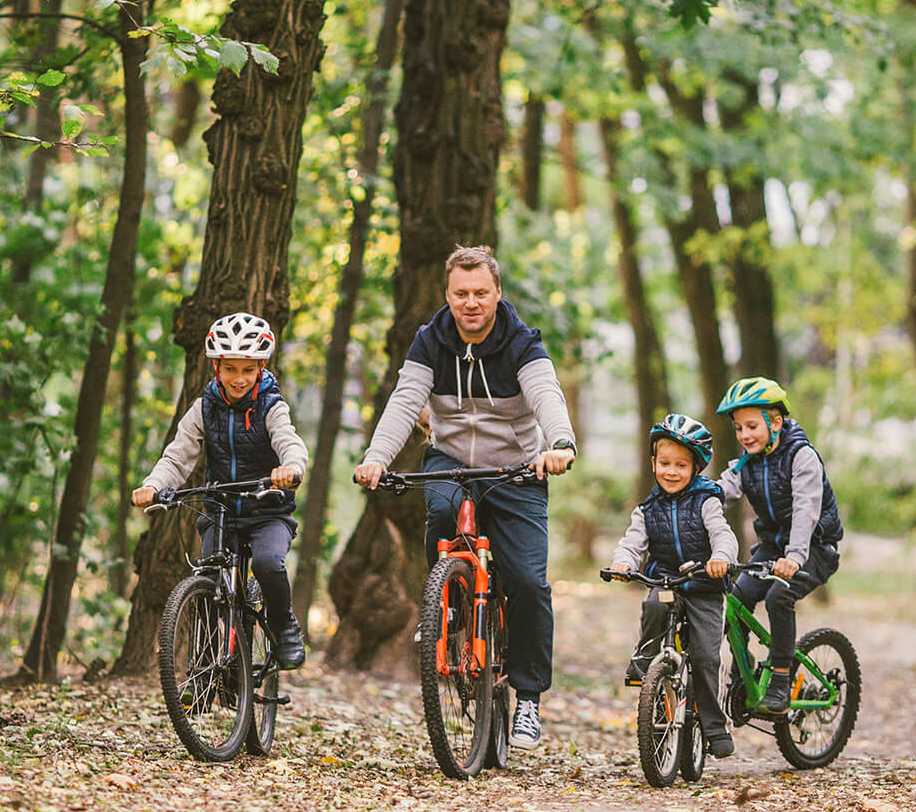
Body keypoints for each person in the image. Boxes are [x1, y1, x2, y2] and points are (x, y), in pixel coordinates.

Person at [353, 247, 576, 751]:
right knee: (442, 510)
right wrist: (377, 457)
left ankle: (528, 700)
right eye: (460, 294)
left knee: (526, 579)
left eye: (480, 293)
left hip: (517, 468)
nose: (470, 303)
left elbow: (546, 395)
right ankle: (445, 607)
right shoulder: (430, 341)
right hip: (450, 459)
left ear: (497, 293)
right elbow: (405, 400)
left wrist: (560, 444)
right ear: (447, 295)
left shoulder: (522, 342)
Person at [131, 313, 309, 669]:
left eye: (247, 370)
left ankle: (283, 626)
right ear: (217, 367)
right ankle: (204, 666)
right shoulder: (204, 408)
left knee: (267, 562)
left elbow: (290, 443)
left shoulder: (271, 406)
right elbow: (178, 456)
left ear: (261, 367)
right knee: (208, 580)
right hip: (222, 510)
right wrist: (153, 485)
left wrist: (290, 469)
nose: (238, 379)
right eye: (230, 369)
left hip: (267, 510)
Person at [607, 414, 738, 759]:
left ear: (696, 468)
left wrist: (721, 556)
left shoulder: (706, 501)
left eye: (681, 465)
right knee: (654, 604)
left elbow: (723, 534)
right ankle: (648, 656)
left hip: (705, 586)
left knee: (707, 656)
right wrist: (624, 563)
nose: (672, 472)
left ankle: (714, 726)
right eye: (665, 463)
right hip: (668, 582)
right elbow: (632, 542)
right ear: (653, 464)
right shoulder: (648, 509)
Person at [714, 377, 844, 715]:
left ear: (776, 422)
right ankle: (743, 674)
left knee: (778, 595)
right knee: (736, 597)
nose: (745, 435)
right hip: (772, 548)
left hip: (814, 548)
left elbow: (806, 511)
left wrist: (795, 556)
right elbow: (719, 493)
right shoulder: (747, 463)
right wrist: (690, 508)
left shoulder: (801, 457)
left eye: (752, 426)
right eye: (739, 428)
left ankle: (782, 679)